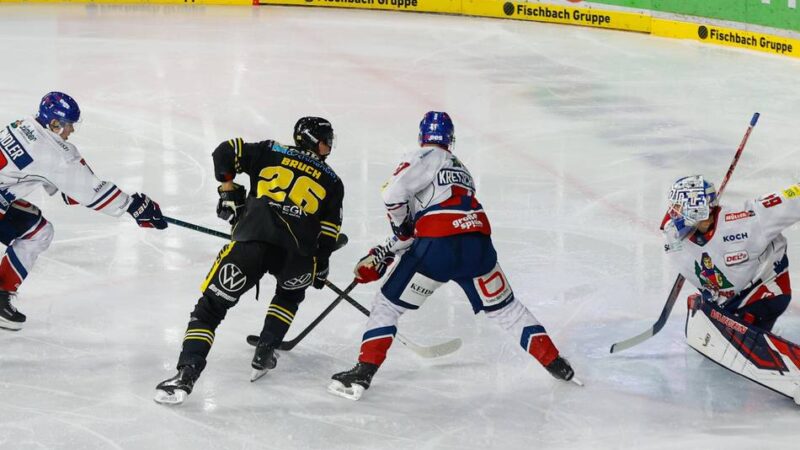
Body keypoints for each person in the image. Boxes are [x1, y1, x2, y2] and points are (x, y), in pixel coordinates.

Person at [327, 111, 577, 401]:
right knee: (507, 310)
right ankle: (557, 364)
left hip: (439, 245)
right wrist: (386, 251)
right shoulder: (462, 170)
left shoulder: (424, 156)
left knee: (387, 305)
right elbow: (424, 223)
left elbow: (393, 196)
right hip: (478, 244)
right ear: (451, 139)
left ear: (423, 137)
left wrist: (392, 239)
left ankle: (363, 373)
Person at [154, 117, 344, 405]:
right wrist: (321, 266)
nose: (328, 146)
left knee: (209, 309)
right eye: (324, 140)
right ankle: (265, 350)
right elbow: (329, 234)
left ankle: (186, 374)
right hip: (297, 256)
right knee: (289, 296)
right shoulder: (332, 180)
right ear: (309, 140)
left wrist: (228, 189)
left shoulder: (270, 150)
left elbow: (224, 151)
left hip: (252, 242)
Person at [0, 92, 167, 331]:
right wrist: (134, 206)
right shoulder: (51, 152)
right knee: (38, 231)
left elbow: (67, 189)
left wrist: (77, 183)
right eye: (68, 125)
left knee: (39, 230)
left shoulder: (23, 125)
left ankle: (1, 293)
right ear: (54, 124)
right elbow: (90, 192)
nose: (72, 131)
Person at [664, 175, 800, 402]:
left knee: (750, 320)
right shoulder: (673, 234)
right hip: (726, 300)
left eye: (679, 205)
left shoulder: (747, 220)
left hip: (765, 293)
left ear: (698, 207)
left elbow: (792, 198)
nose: (672, 212)